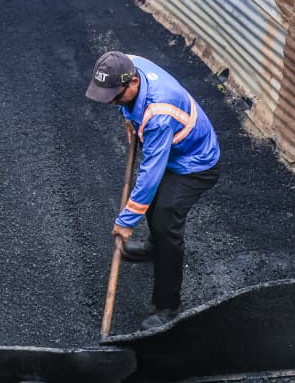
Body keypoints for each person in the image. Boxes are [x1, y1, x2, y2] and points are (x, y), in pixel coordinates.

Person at [85, 51, 221, 331]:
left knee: (165, 219)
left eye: (115, 96)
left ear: (132, 82)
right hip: (171, 151)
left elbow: (150, 174)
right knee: (155, 206)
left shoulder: (159, 114)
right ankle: (152, 248)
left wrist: (125, 222)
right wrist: (129, 116)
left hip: (194, 164)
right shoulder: (128, 63)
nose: (110, 101)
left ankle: (167, 306)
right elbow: (128, 101)